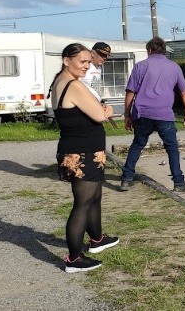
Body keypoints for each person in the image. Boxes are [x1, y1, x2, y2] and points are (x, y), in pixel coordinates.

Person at [49, 43, 119, 273]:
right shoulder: (74, 85)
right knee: (82, 204)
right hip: (83, 154)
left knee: (94, 197)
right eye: (82, 62)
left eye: (89, 62)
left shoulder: (59, 81)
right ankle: (74, 259)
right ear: (66, 60)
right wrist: (107, 110)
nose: (87, 66)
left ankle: (97, 239)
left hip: (81, 150)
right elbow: (99, 114)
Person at [120, 37, 185, 193]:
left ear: (149, 50)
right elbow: (184, 93)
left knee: (137, 145)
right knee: (172, 148)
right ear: (164, 50)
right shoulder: (174, 67)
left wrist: (127, 114)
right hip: (164, 114)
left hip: (141, 113)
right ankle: (179, 184)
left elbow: (130, 92)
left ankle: (126, 179)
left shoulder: (140, 66)